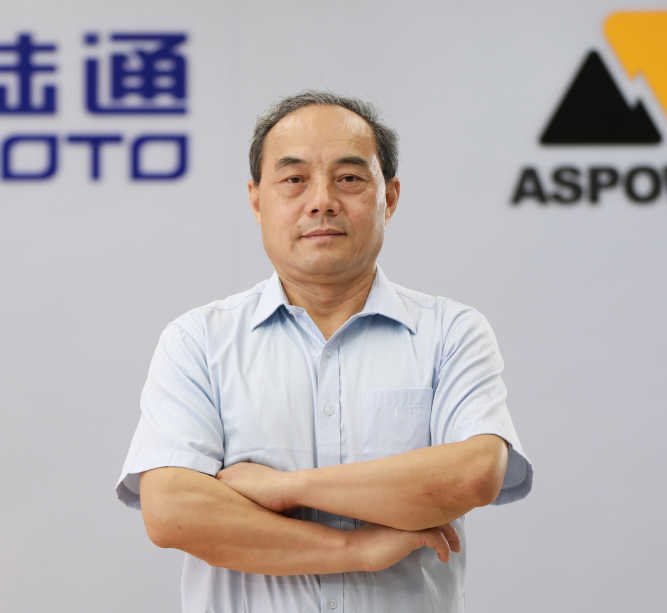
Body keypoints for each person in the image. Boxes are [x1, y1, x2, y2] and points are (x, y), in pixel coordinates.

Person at [116, 91, 533, 613]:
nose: (321, 201)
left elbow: (473, 474)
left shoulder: (450, 332)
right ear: (256, 200)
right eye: (294, 179)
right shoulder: (198, 340)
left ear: (390, 197)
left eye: (349, 178)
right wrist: (354, 550)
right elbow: (173, 512)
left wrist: (286, 489)